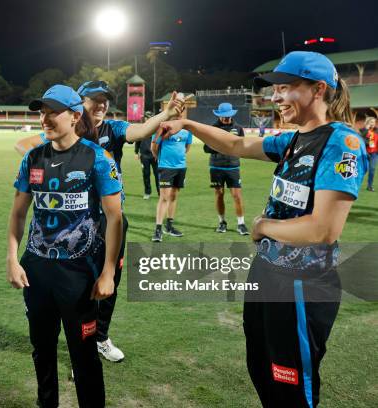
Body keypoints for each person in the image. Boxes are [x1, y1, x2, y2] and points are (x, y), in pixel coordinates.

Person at [158, 51, 368, 407]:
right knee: (261, 367)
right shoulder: (293, 139)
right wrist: (189, 125)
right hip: (268, 274)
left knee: (290, 384)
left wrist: (261, 226)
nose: (275, 97)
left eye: (285, 88)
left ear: (318, 90)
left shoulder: (340, 142)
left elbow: (323, 230)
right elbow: (237, 144)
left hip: (302, 283)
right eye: (276, 90)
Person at [12, 82, 182, 362]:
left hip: (109, 218)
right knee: (77, 283)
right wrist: (58, 166)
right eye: (95, 100)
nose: (101, 105)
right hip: (76, 219)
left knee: (108, 277)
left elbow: (139, 130)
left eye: (105, 101)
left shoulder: (112, 129)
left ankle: (99, 337)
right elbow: (24, 146)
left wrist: (164, 115)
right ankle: (80, 340)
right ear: (79, 105)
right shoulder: (65, 130)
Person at [6, 85, 123, 408]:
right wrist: (13, 259)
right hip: (37, 270)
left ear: (74, 116)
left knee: (83, 354)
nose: (44, 118)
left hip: (79, 272)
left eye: (52, 112)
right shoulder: (33, 157)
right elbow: (18, 213)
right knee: (42, 350)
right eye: (41, 112)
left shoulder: (97, 157)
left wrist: (108, 272)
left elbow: (115, 219)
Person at [204, 102, 250, 235]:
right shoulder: (212, 128)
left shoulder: (238, 128)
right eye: (223, 116)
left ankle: (241, 224)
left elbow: (242, 146)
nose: (225, 118)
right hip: (216, 166)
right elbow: (206, 148)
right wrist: (219, 145)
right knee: (219, 194)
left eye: (228, 116)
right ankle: (222, 223)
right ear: (219, 115)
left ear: (231, 114)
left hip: (233, 166)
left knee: (237, 195)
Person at [150, 117, 192, 241]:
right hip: (166, 167)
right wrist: (159, 158)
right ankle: (158, 230)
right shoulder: (163, 127)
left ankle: (169, 226)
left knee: (173, 196)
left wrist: (179, 158)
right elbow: (154, 146)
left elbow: (187, 146)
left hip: (181, 167)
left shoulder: (187, 129)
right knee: (164, 198)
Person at [135, 113, 159, 199]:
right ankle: (147, 192)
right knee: (146, 174)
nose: (148, 119)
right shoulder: (141, 129)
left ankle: (160, 193)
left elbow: (160, 142)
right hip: (144, 156)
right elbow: (137, 141)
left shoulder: (157, 129)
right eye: (146, 117)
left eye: (149, 117)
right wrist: (136, 152)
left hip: (155, 155)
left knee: (157, 174)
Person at [360, 116, 377, 191]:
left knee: (372, 169)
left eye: (374, 122)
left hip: (374, 153)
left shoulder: (376, 131)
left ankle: (369, 186)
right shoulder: (363, 130)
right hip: (365, 153)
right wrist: (366, 129)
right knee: (362, 169)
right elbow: (360, 138)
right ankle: (356, 183)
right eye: (371, 122)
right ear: (367, 123)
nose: (373, 124)